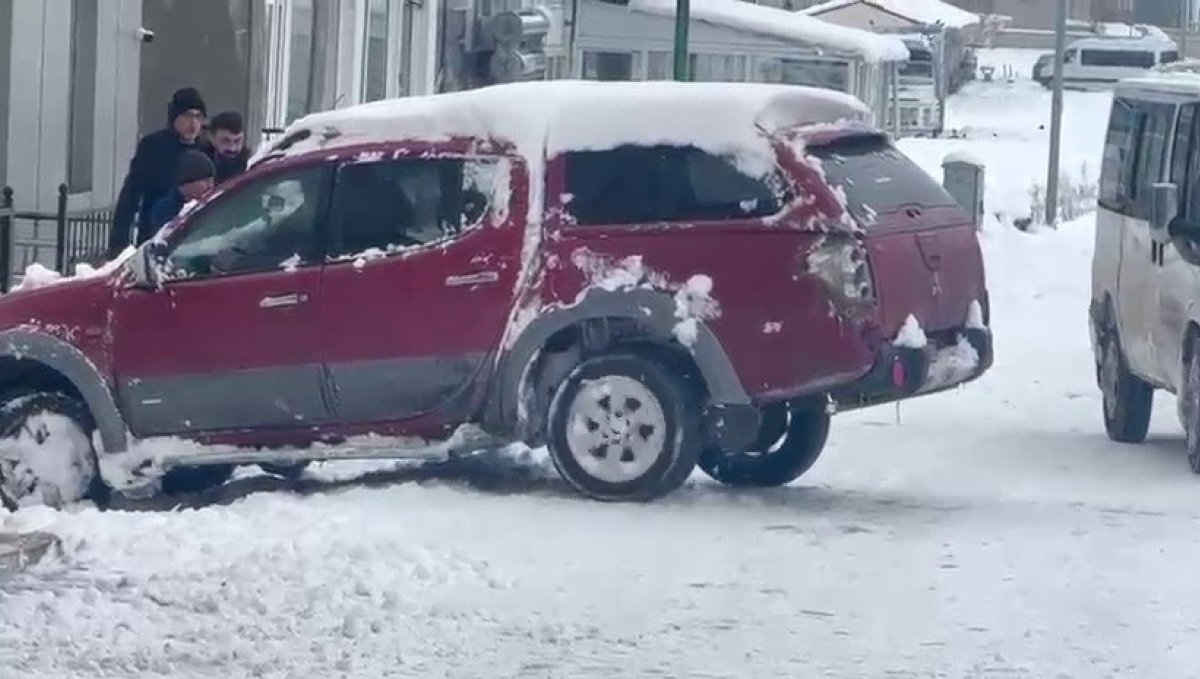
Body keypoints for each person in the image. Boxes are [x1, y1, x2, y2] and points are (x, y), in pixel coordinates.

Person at [109, 87, 209, 256]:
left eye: (198, 117)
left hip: (195, 240)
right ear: (174, 117)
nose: (193, 124)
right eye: (187, 116)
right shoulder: (154, 147)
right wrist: (119, 243)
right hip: (155, 235)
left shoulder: (205, 150)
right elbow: (131, 194)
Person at [147, 150, 215, 232]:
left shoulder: (212, 205)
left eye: (212, 181)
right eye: (206, 181)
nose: (210, 186)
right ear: (188, 181)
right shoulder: (164, 209)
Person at [208, 111, 251, 184]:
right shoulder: (199, 162)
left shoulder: (250, 164)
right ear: (212, 139)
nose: (232, 148)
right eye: (225, 141)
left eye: (237, 141)